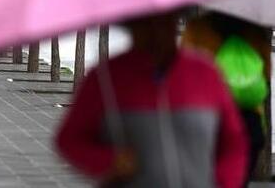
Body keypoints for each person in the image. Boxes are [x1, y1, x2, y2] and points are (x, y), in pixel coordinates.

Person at [55, 12, 247, 188]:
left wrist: (224, 182)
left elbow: (234, 141)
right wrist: (107, 161)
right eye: (145, 25)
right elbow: (70, 139)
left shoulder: (205, 73)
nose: (156, 33)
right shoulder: (105, 79)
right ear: (131, 27)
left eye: (165, 23)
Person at [182, 12, 269, 183]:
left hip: (206, 118)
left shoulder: (197, 29)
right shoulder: (255, 31)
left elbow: (183, 71)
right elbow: (265, 73)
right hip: (249, 121)